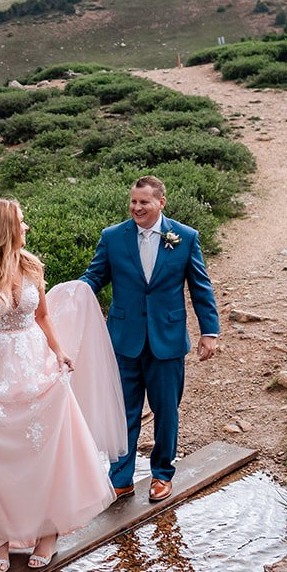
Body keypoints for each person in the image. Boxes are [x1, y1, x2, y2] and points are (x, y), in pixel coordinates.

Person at [0, 199, 120, 572]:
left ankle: (47, 534)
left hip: (32, 365)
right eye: (21, 222)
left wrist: (59, 353)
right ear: (3, 228)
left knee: (42, 453)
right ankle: (1, 539)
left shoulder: (31, 265)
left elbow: (41, 315)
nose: (26, 228)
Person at [80, 175, 220, 502]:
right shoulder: (113, 237)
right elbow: (94, 277)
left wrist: (209, 331)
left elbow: (201, 288)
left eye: (144, 202)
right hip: (124, 340)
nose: (137, 207)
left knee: (166, 410)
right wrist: (69, 294)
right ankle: (121, 478)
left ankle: (162, 474)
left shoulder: (185, 237)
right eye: (133, 202)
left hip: (167, 340)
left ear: (161, 203)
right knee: (124, 411)